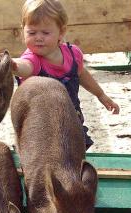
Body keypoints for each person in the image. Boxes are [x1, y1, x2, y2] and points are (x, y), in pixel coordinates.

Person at [12, 0, 120, 150]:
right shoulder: (33, 58)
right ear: (23, 31)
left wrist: (101, 95)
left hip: (71, 120)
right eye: (32, 32)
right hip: (40, 126)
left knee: (76, 152)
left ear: (61, 33)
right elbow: (25, 67)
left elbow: (81, 74)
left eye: (45, 32)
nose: (38, 37)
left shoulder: (73, 54)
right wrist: (12, 65)